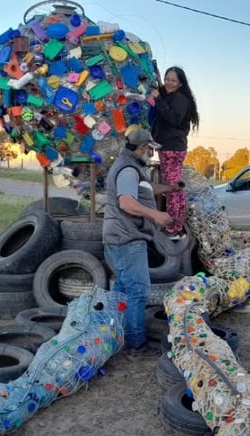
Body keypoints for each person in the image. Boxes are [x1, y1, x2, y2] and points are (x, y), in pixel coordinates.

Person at [103, 128, 182, 355]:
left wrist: (169, 189)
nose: (150, 153)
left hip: (122, 236)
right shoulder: (128, 169)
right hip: (127, 238)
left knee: (122, 289)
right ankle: (135, 344)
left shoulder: (132, 167)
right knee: (138, 291)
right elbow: (127, 202)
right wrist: (157, 215)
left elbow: (144, 189)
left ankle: (114, 333)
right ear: (141, 148)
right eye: (149, 149)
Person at [150, 66, 200, 239]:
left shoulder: (179, 99)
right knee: (175, 188)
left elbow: (173, 118)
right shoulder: (172, 96)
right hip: (171, 147)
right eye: (167, 79)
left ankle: (173, 228)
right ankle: (177, 225)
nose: (169, 83)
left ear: (180, 83)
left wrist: (158, 101)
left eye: (174, 80)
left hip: (172, 149)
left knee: (171, 189)